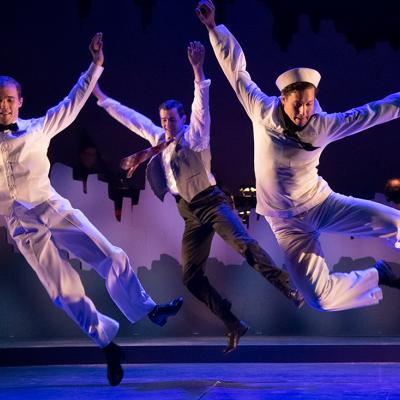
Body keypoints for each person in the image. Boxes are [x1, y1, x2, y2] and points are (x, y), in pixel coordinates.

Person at [93, 41, 304, 354]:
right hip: (189, 213)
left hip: (212, 203)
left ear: (182, 119)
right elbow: (130, 117)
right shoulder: (156, 140)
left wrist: (197, 69)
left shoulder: (195, 134)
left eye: (172, 120)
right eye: (163, 120)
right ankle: (232, 322)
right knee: (191, 277)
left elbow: (201, 104)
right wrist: (99, 96)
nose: (167, 125)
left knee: (244, 245)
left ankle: (287, 286)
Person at [0, 32, 183, 386]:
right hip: (21, 223)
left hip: (51, 206)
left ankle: (149, 309)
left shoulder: (36, 129)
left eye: (8, 99)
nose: (3, 105)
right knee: (62, 289)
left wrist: (95, 66)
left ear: (20, 101)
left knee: (110, 254)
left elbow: (71, 103)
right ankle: (108, 345)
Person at [196, 0, 400, 313]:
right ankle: (378, 275)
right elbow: (236, 72)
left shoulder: (322, 125)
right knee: (321, 299)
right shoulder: (261, 110)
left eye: (308, 104)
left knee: (394, 223)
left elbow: (372, 112)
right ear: (283, 99)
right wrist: (214, 28)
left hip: (321, 205)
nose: (304, 111)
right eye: (297, 105)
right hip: (286, 225)